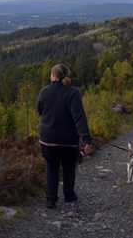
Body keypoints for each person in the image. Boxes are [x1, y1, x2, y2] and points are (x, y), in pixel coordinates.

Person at [36, 63, 92, 208]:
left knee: (51, 166)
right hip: (68, 140)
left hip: (47, 138)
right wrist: (87, 139)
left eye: (50, 74)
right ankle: (69, 196)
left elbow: (40, 111)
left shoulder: (44, 91)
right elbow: (79, 117)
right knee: (68, 167)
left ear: (53, 76)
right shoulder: (73, 92)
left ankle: (51, 199)